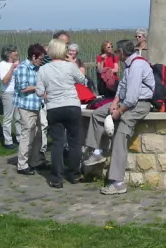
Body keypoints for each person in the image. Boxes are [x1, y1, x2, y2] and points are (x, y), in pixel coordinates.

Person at [84, 39, 155, 195]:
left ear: (122, 53)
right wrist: (114, 102)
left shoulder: (137, 66)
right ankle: (98, 151)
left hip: (139, 104)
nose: (116, 53)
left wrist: (120, 111)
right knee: (97, 114)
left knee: (120, 136)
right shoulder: (130, 64)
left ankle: (118, 182)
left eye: (117, 51)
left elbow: (133, 97)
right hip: (127, 102)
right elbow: (122, 85)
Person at [36, 39, 86, 188]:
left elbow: (39, 92)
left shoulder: (43, 69)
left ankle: (57, 177)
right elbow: (82, 80)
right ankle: (74, 173)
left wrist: (48, 93)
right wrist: (73, 63)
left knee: (57, 143)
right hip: (71, 105)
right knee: (74, 142)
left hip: (54, 107)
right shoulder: (70, 66)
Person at [14, 43, 47, 175]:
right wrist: (38, 87)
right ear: (33, 57)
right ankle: (22, 164)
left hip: (37, 105)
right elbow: (23, 88)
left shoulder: (36, 69)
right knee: (27, 135)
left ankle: (35, 160)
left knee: (38, 134)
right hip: (26, 106)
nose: (41, 61)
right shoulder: (23, 68)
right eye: (40, 59)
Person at [0, 45, 21, 149]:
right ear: (9, 53)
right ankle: (8, 141)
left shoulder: (17, 63)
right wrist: (12, 68)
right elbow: (5, 80)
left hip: (17, 92)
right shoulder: (2, 65)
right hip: (8, 92)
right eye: (14, 51)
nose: (16, 53)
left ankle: (20, 139)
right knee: (8, 117)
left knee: (18, 117)